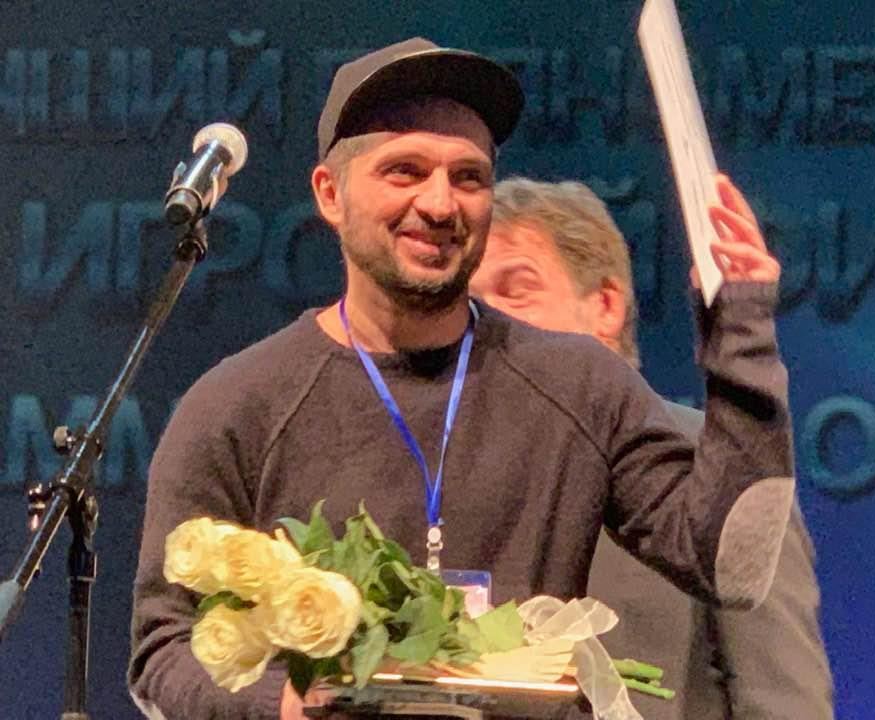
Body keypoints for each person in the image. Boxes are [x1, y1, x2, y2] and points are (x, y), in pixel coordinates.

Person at [128, 38, 797, 720]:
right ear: (330, 194)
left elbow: (730, 564)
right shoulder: (238, 405)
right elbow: (163, 650)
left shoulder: (580, 385)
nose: (441, 204)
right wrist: (282, 704)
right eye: (405, 171)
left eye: (469, 177)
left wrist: (742, 332)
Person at [469, 178, 834, 720]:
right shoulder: (449, 473)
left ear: (605, 305)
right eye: (469, 302)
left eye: (517, 288)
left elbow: (784, 700)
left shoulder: (714, 462)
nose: (487, 318)